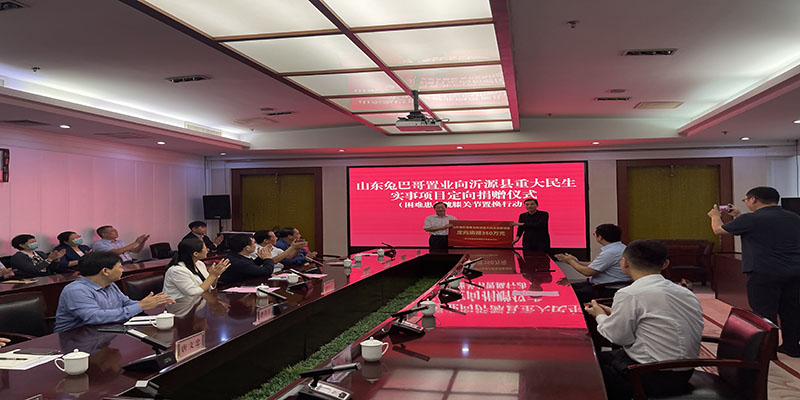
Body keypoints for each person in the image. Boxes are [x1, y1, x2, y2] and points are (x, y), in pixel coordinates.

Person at [585, 240, 703, 400]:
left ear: (624, 262)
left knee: (585, 369)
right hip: (684, 372)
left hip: (651, 375)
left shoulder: (630, 293)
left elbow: (619, 337)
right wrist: (614, 313)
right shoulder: (685, 292)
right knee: (593, 358)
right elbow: (657, 319)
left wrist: (599, 315)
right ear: (665, 264)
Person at [707, 186, 800, 357]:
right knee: (791, 310)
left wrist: (715, 216)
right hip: (794, 272)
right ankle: (792, 347)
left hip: (764, 272)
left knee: (764, 312)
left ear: (753, 199)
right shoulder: (793, 217)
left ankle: (767, 351)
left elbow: (718, 230)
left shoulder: (751, 219)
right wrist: (737, 216)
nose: (746, 203)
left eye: (746, 200)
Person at [54, 251, 174, 332]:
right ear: (105, 271)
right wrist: (140, 306)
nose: (123, 270)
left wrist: (152, 303)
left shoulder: (109, 284)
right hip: (75, 337)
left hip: (104, 331)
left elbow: (125, 302)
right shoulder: (76, 290)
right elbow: (94, 317)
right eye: (120, 267)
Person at [555, 224, 628, 304]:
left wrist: (570, 261)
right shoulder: (620, 248)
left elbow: (587, 272)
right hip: (601, 285)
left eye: (595, 234)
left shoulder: (611, 252)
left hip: (607, 288)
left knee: (568, 294)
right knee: (566, 288)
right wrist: (575, 261)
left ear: (600, 237)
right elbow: (594, 264)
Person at [163, 238, 230, 300]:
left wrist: (215, 275)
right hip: (179, 305)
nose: (207, 251)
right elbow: (193, 293)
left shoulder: (199, 264)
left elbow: (208, 287)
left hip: (198, 302)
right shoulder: (176, 270)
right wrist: (212, 275)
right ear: (196, 254)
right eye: (205, 248)